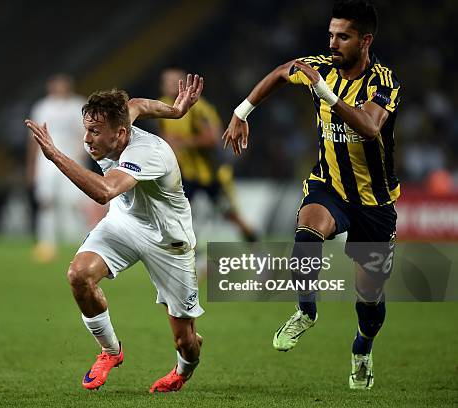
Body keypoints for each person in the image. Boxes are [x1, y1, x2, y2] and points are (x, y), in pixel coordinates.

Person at [223, 0, 399, 390]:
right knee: (307, 231)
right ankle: (306, 311)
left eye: (343, 36)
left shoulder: (383, 82)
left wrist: (326, 95)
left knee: (369, 298)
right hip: (329, 186)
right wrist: (242, 111)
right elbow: (280, 73)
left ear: (365, 40)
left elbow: (369, 128)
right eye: (331, 34)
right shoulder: (320, 67)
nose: (333, 42)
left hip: (375, 203)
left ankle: (362, 348)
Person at [25, 74, 205, 393]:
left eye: (95, 132)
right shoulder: (122, 118)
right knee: (79, 275)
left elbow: (105, 191)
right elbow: (137, 105)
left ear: (120, 133)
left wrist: (55, 156)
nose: (87, 139)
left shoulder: (147, 152)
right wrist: (175, 111)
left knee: (185, 340)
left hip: (168, 241)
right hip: (125, 223)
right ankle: (111, 351)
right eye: (86, 129)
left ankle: (183, 369)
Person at [159, 68, 258, 242]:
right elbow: (166, 137)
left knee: (233, 217)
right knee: (176, 218)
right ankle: (192, 258)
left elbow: (213, 139)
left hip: (212, 175)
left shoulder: (199, 108)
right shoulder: (163, 107)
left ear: (184, 85)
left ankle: (260, 253)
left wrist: (184, 142)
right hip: (187, 175)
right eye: (165, 82)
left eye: (173, 81)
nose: (167, 85)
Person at [26, 74, 88, 262]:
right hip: (47, 162)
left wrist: (83, 156)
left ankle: (81, 243)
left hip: (72, 160)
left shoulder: (79, 105)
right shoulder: (42, 107)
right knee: (47, 202)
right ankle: (46, 243)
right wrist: (32, 166)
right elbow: (34, 139)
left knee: (74, 204)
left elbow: (86, 134)